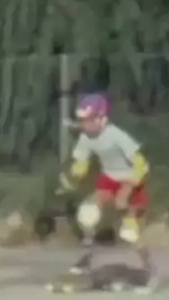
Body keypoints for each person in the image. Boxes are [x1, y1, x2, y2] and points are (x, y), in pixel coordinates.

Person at [59, 93, 154, 283]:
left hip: (131, 179)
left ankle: (150, 269)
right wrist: (74, 176)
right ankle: (87, 259)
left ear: (101, 118)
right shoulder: (86, 137)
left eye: (88, 119)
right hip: (109, 179)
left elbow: (141, 165)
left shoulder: (116, 135)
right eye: (82, 120)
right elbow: (81, 163)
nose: (84, 124)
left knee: (129, 232)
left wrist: (129, 187)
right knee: (87, 213)